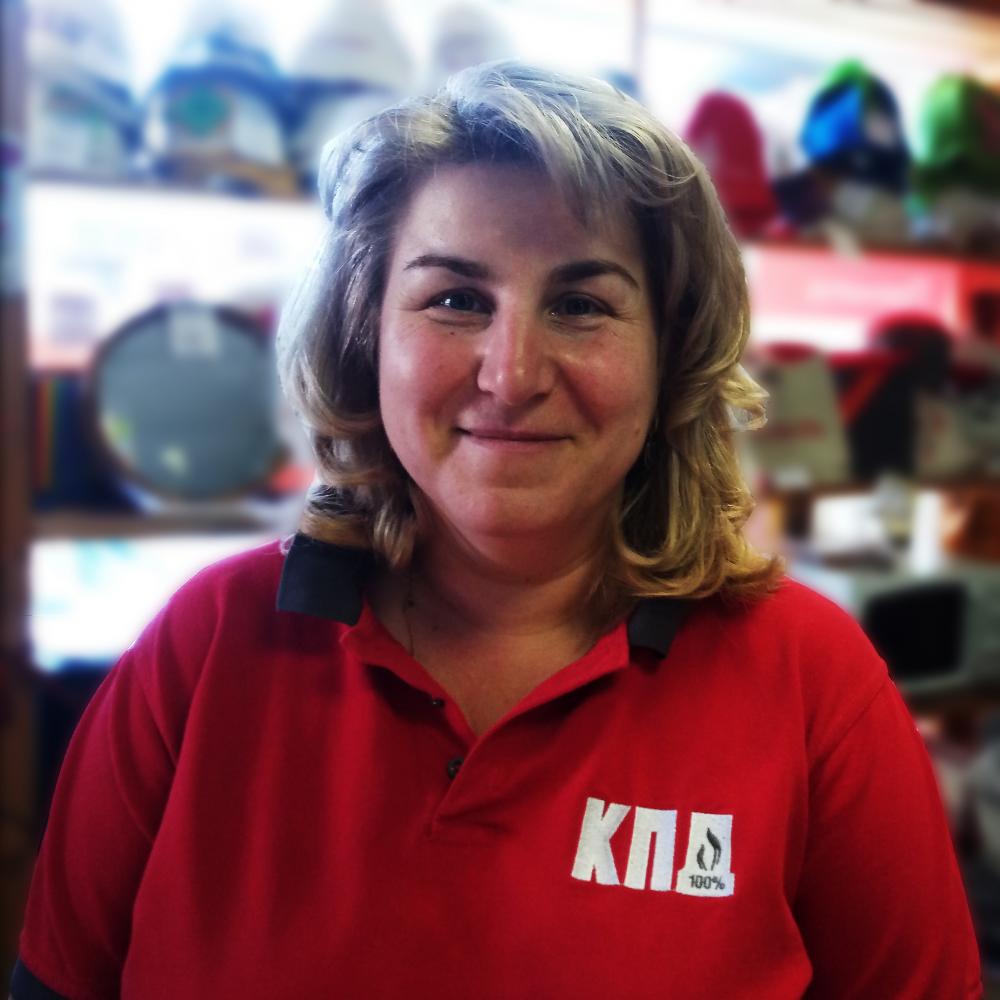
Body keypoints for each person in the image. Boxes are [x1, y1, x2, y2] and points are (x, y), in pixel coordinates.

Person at [11, 62, 982, 1000]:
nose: (510, 374)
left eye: (581, 304)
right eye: (455, 299)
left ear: (671, 354)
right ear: (365, 336)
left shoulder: (813, 686)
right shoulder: (205, 645)